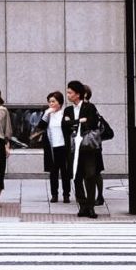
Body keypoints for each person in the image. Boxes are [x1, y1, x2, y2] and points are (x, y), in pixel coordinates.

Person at [63, 80, 109, 219]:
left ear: (78, 94)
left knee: (90, 176)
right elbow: (64, 126)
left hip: (89, 148)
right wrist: (79, 121)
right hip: (73, 148)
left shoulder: (90, 107)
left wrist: (74, 123)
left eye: (70, 92)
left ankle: (90, 207)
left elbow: (93, 122)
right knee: (76, 177)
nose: (68, 95)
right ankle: (82, 205)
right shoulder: (68, 109)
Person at [41, 91, 70, 205]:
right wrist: (46, 113)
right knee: (53, 172)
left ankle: (66, 194)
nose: (51, 104)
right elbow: (40, 126)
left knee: (65, 172)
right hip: (52, 147)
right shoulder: (48, 114)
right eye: (49, 102)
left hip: (63, 146)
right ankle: (54, 194)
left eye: (53, 101)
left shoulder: (65, 113)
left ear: (60, 102)